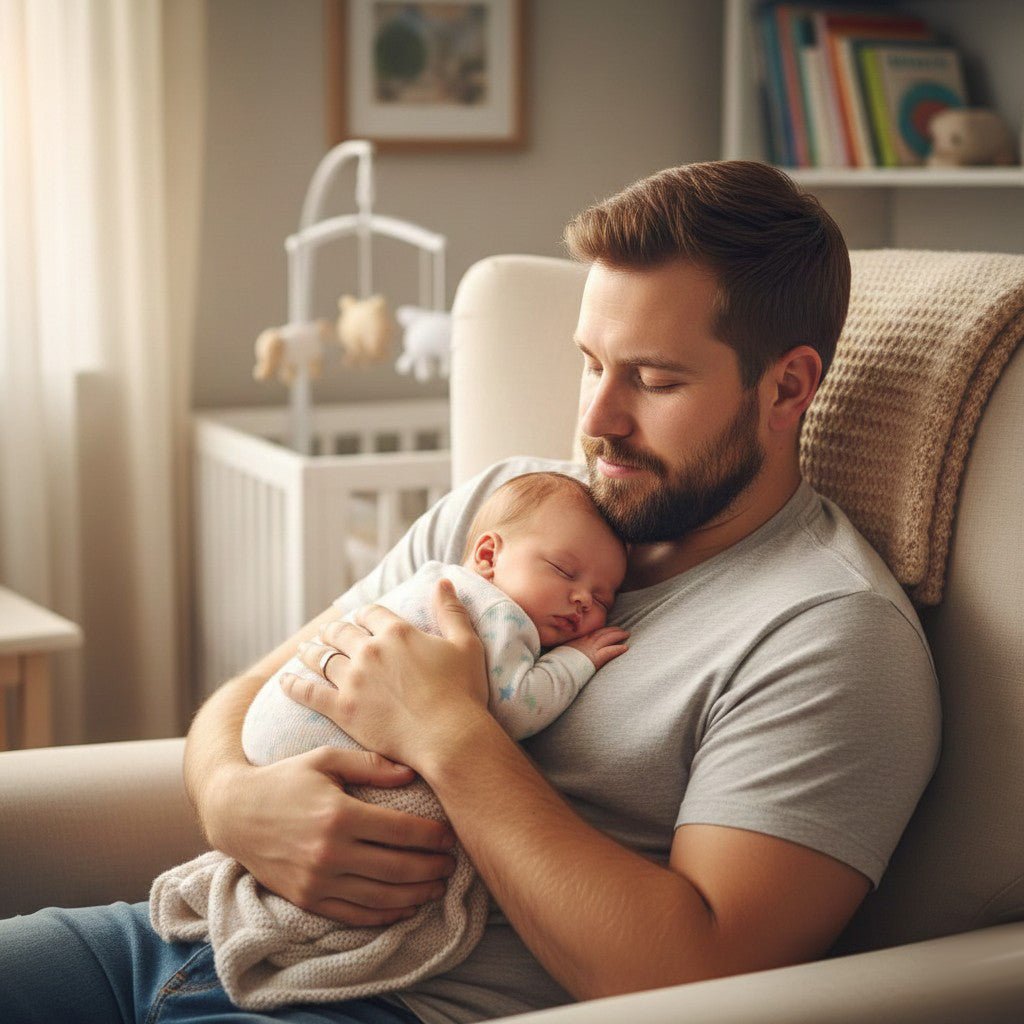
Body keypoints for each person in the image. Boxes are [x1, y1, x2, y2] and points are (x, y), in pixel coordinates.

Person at [0, 161, 940, 1024]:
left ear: (788, 388)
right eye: (590, 363)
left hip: (386, 1004)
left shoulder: (829, 634)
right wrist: (231, 798)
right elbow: (268, 681)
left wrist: (445, 730)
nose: (598, 421)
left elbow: (698, 978)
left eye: (653, 380)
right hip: (195, 929)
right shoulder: (517, 507)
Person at [148, 471, 629, 1011]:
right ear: (488, 556)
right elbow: (515, 706)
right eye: (565, 573)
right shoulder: (498, 612)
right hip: (295, 776)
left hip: (276, 743)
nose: (584, 602)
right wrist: (577, 658)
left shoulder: (438, 578)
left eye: (604, 597)